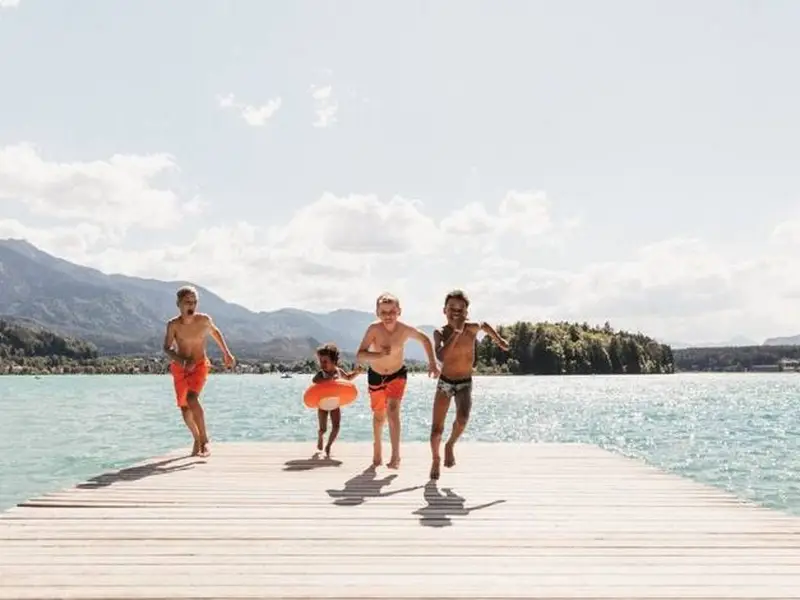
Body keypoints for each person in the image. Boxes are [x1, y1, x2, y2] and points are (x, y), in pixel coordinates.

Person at [429, 289, 509, 480]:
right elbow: (441, 356)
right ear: (444, 310)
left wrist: (499, 340)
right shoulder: (440, 332)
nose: (456, 312)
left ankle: (450, 444)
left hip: (465, 382)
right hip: (445, 383)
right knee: (437, 429)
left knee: (463, 419)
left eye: (461, 309)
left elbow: (484, 325)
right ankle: (435, 459)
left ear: (466, 312)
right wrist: (456, 333)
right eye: (452, 308)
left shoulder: (472, 327)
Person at [356, 293, 439, 469]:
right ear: (377, 313)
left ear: (399, 311)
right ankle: (377, 447)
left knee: (393, 410)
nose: (388, 315)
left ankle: (395, 456)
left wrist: (432, 363)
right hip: (376, 375)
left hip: (397, 374)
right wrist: (379, 355)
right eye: (383, 312)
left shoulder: (404, 330)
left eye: (392, 311)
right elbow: (360, 355)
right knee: (379, 416)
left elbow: (425, 339)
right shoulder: (374, 329)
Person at [162, 285, 236, 457]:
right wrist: (181, 361)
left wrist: (227, 353)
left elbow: (215, 332)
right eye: (187, 302)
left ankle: (204, 441)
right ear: (178, 304)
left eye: (194, 302)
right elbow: (167, 348)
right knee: (184, 409)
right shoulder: (173, 325)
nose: (191, 306)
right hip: (180, 368)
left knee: (192, 398)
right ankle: (196, 438)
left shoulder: (203, 320)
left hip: (199, 365)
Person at [312, 342, 363, 457]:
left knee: (336, 426)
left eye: (325, 361)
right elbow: (315, 380)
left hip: (334, 403)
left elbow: (348, 378)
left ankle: (329, 445)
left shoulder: (339, 371)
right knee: (323, 429)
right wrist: (329, 380)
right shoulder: (321, 374)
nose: (322, 364)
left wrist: (357, 372)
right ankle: (320, 436)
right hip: (322, 404)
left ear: (334, 361)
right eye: (321, 361)